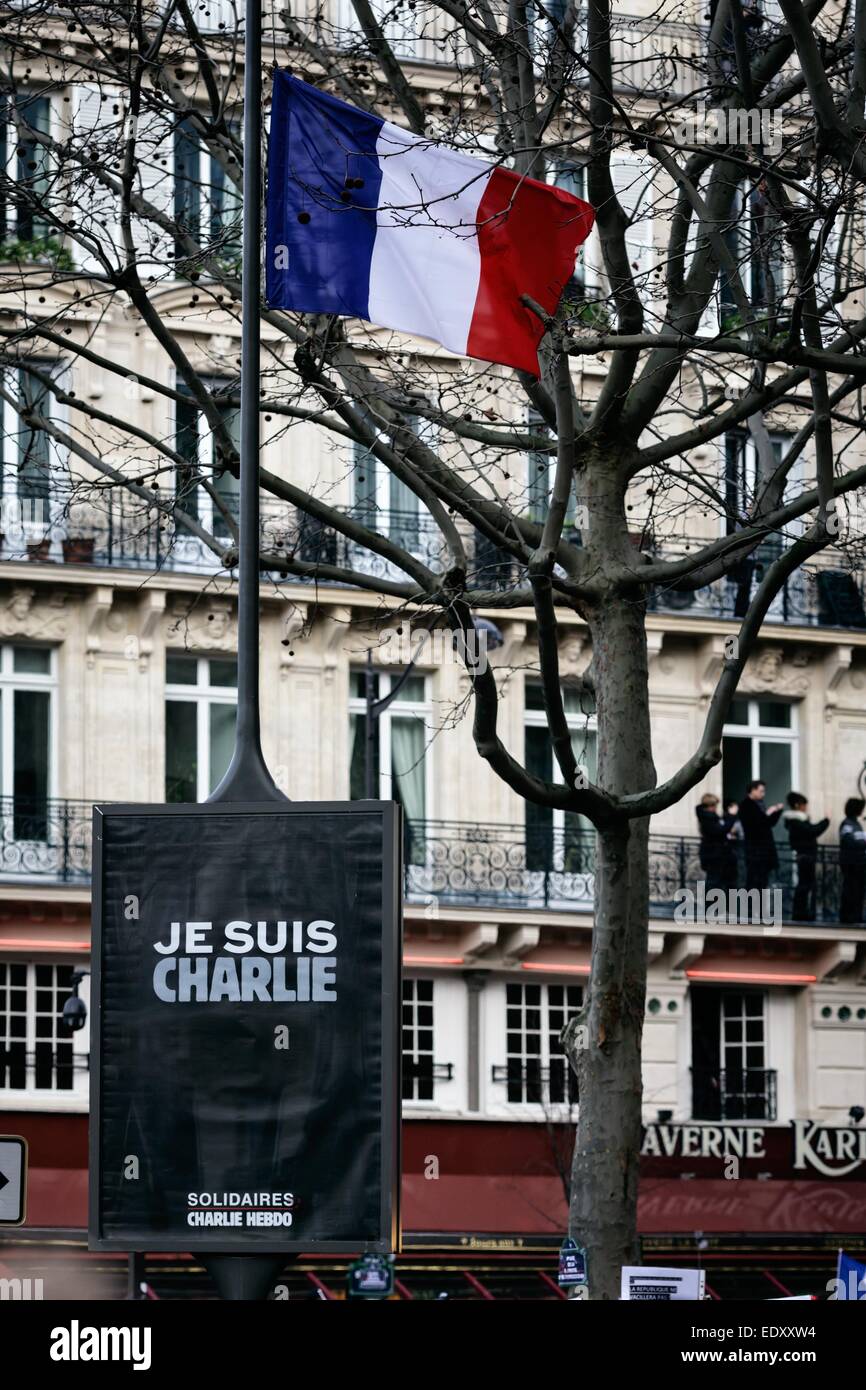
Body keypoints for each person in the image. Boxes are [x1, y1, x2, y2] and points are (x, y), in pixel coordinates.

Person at [783, 793, 829, 922]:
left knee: (807, 884)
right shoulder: (796, 821)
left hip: (806, 854)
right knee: (805, 884)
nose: (806, 808)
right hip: (805, 855)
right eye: (804, 805)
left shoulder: (798, 821)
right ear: (798, 805)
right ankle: (800, 913)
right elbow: (812, 831)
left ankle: (804, 912)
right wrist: (826, 820)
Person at [737, 780, 784, 891]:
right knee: (754, 881)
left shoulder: (758, 804)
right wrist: (768, 813)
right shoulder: (746, 805)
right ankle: (751, 907)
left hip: (762, 850)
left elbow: (768, 824)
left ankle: (757, 906)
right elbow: (757, 825)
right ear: (753, 790)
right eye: (761, 791)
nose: (763, 794)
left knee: (761, 882)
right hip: (755, 850)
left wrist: (776, 812)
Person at [695, 793, 738, 893]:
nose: (715, 808)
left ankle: (716, 905)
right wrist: (732, 816)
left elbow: (720, 830)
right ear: (709, 806)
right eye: (713, 806)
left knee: (718, 882)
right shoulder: (707, 818)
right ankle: (711, 906)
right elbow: (719, 831)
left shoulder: (710, 816)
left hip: (717, 853)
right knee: (714, 882)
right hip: (713, 854)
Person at [839, 798, 866, 924]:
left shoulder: (856, 824)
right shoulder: (847, 824)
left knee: (858, 891)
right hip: (851, 863)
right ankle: (849, 917)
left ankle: (856, 916)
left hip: (859, 863)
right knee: (851, 891)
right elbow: (849, 841)